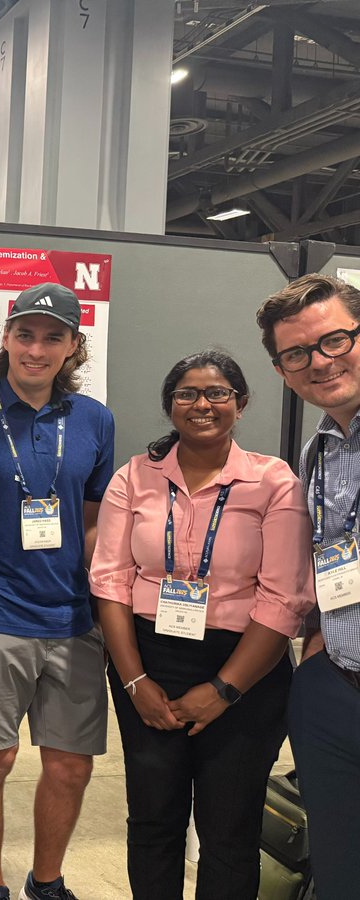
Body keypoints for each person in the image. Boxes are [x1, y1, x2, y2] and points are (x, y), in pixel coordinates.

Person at [90, 350, 313, 899]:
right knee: (152, 819)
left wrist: (223, 691)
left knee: (228, 830)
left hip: (246, 668)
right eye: (187, 393)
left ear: (241, 403)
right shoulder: (135, 477)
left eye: (217, 393)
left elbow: (284, 597)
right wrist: (135, 683)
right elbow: (111, 582)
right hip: (147, 660)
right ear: (170, 406)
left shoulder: (273, 480)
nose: (202, 404)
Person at [0, 282, 115, 900]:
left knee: (69, 765)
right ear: (7, 337)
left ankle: (47, 881)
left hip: (72, 619)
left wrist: (105, 606)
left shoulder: (94, 420)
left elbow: (92, 519)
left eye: (53, 337)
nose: (37, 349)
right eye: (26, 334)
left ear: (72, 347)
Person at [256, 273, 360, 900]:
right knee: (341, 871)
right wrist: (319, 647)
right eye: (297, 353)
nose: (319, 363)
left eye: (335, 340)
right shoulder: (317, 451)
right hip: (335, 691)